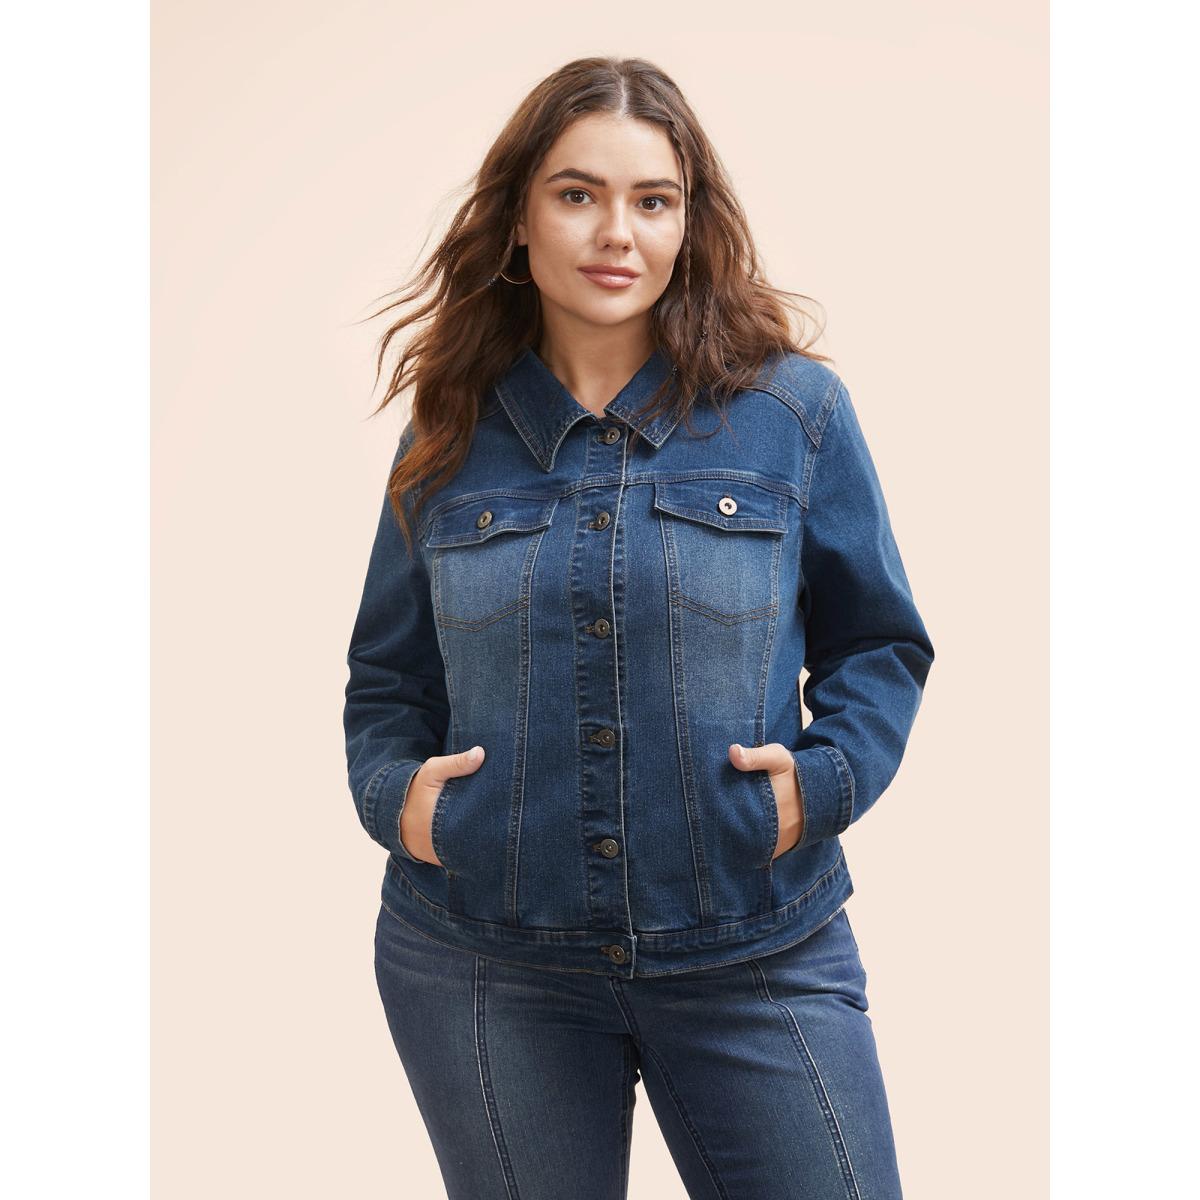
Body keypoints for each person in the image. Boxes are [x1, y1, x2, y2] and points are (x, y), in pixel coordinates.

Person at [344, 55, 934, 1200]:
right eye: (578, 194)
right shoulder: (450, 431)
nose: (617, 232)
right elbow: (387, 679)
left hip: (754, 947)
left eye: (652, 200)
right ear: (519, 219)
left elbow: (879, 645)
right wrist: (398, 803)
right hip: (485, 965)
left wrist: (819, 787)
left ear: (686, 223)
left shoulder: (792, 413)